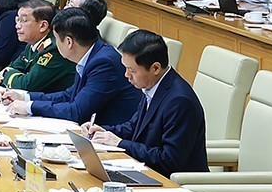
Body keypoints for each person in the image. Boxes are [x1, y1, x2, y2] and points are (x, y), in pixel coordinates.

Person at [85, 30, 208, 177]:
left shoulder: (179, 101)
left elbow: (169, 160)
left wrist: (119, 143)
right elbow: (134, 127)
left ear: (155, 68)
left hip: (173, 183)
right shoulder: (153, 85)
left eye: (132, 70)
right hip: (147, 172)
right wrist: (103, 132)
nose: (126, 75)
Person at [1, 8, 141, 126]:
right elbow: (69, 95)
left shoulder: (103, 63)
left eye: (56, 39)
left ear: (69, 42)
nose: (55, 44)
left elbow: (76, 111)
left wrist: (29, 107)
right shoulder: (92, 54)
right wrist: (24, 96)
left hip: (111, 135)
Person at [0, 2, 73, 92]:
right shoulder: (33, 43)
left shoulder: (54, 49)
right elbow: (14, 66)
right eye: (17, 20)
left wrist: (6, 74)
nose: (17, 26)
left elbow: (26, 85)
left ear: (43, 26)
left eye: (24, 21)